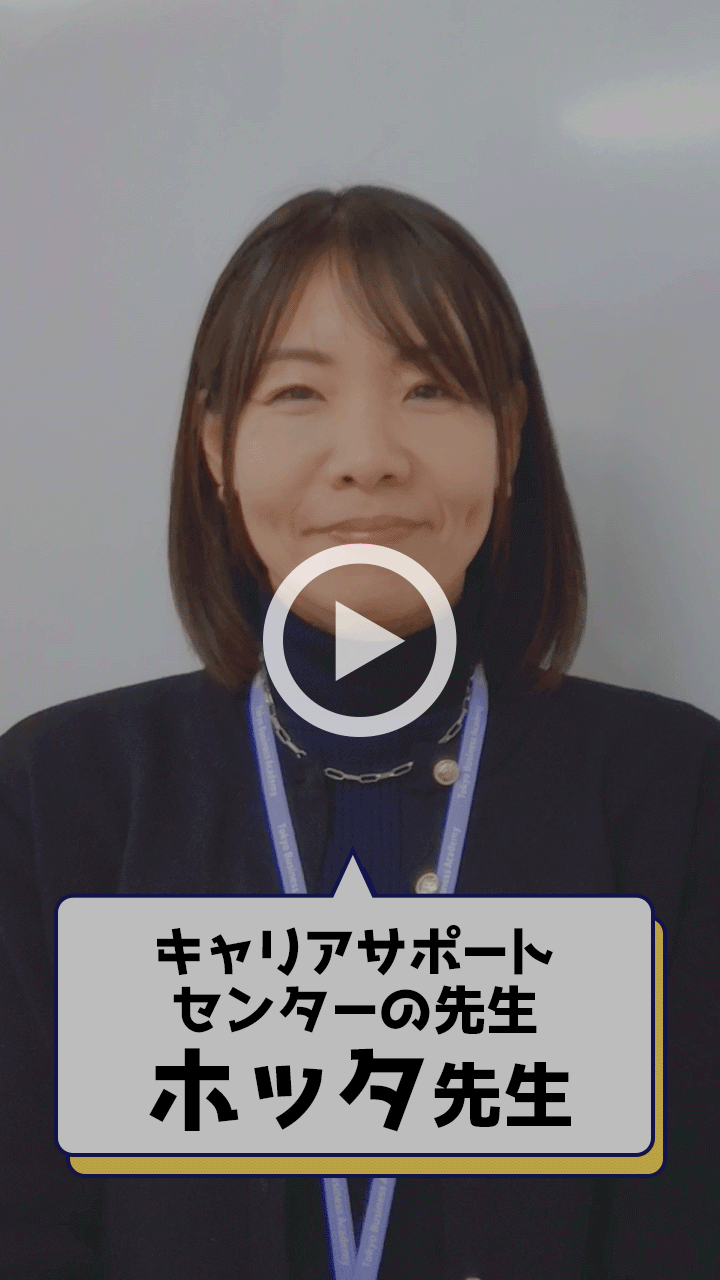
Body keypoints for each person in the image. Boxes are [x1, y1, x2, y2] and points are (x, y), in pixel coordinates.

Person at [1, 184, 718, 1280]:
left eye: (431, 387)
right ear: (215, 445)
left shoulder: (675, 789)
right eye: (297, 391)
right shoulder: (56, 795)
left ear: (509, 437)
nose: (369, 455)